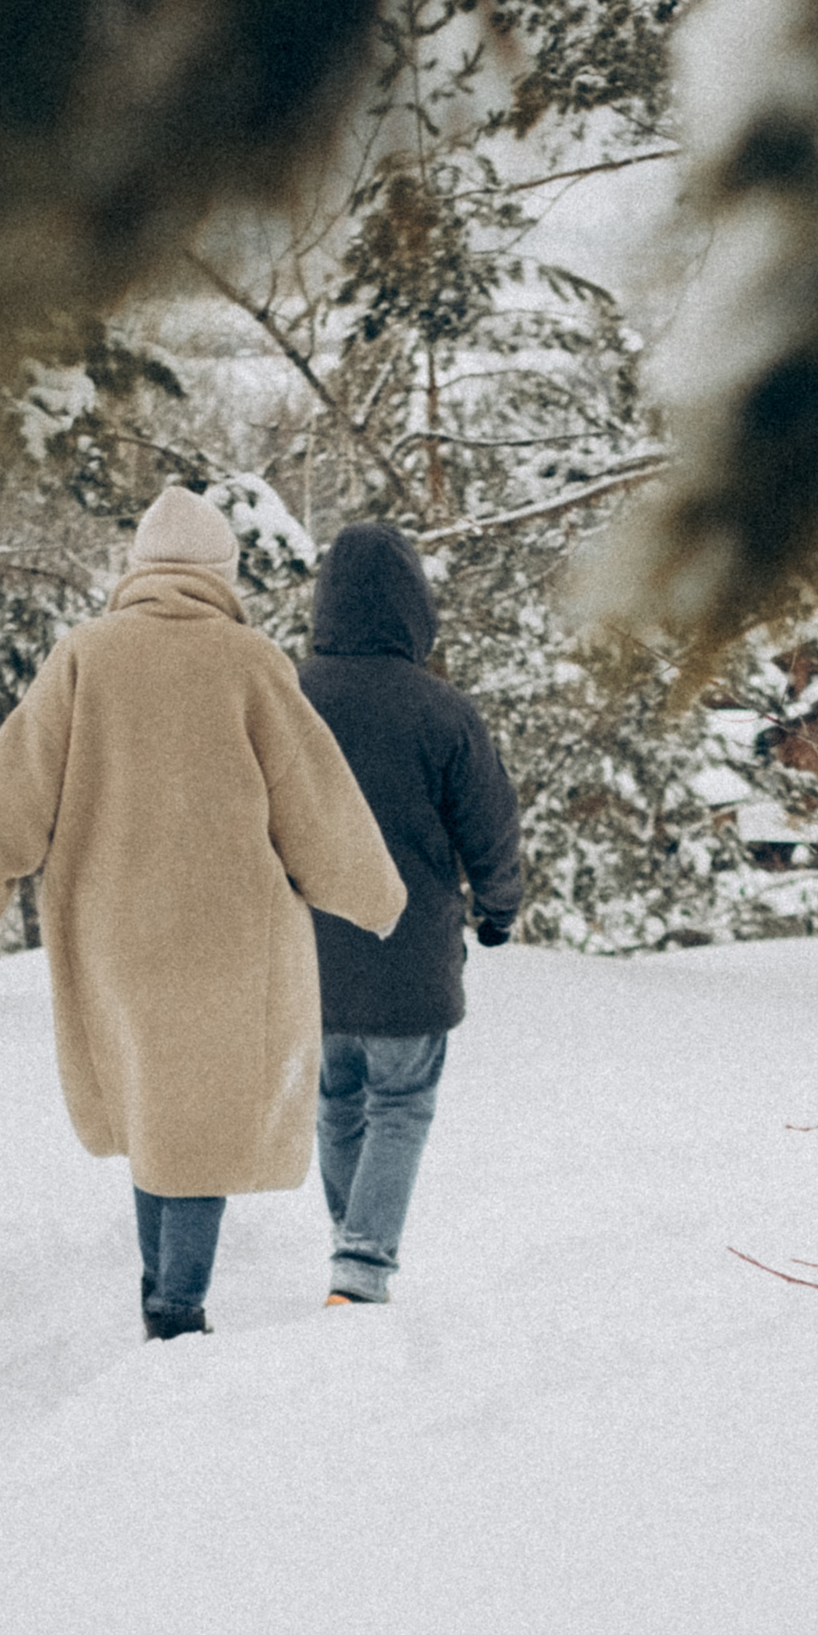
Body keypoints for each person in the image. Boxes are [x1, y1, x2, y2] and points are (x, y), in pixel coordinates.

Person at [0, 486, 404, 1338]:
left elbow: (7, 799)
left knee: (154, 1120)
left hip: (115, 943)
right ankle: (177, 1313)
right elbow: (316, 805)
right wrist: (379, 901)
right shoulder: (250, 661)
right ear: (222, 574)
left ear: (135, 570)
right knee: (197, 1129)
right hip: (231, 942)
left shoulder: (84, 658)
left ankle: (161, 1301)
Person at [298, 520, 523, 1305]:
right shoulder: (444, 712)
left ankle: (349, 1240)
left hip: (312, 951)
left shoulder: (288, 695)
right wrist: (499, 911)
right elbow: (490, 826)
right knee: (400, 1102)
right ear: (413, 607)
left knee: (337, 1098)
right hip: (410, 952)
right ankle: (360, 1266)